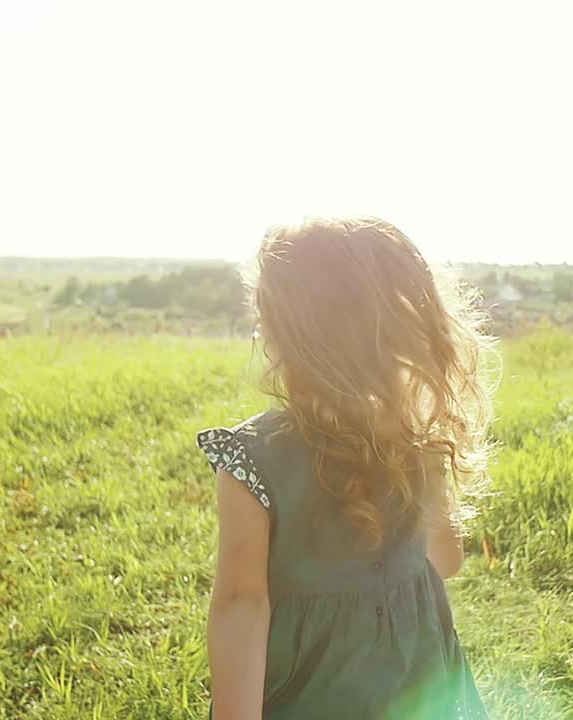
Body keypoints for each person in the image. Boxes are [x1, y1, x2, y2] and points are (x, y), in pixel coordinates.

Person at [198, 217, 493, 719]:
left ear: (277, 333)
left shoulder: (252, 458)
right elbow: (445, 560)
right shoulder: (418, 438)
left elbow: (242, 606)